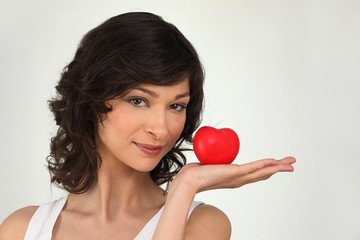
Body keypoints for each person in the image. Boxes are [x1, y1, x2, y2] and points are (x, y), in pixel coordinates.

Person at [0, 12, 296, 240]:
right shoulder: (21, 230)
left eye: (176, 106)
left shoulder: (202, 225)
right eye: (139, 101)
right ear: (91, 101)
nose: (161, 128)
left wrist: (184, 189)